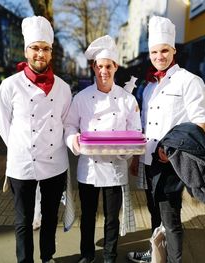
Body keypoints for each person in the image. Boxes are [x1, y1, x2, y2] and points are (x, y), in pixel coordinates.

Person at [127, 16, 205, 263]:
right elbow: (144, 124)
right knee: (154, 211)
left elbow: (201, 122)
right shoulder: (150, 85)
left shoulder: (190, 81)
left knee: (170, 218)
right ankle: (155, 255)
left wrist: (172, 147)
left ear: (174, 50)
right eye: (154, 51)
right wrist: (136, 156)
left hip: (173, 162)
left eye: (164, 50)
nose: (159, 56)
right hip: (149, 159)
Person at [0, 15, 72, 263]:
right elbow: (3, 122)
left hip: (55, 163)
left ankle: (47, 257)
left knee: (50, 217)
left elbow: (64, 121)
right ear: (26, 51)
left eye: (45, 49)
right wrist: (20, 147)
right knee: (23, 221)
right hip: (22, 164)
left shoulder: (63, 87)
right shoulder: (9, 85)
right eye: (35, 48)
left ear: (51, 53)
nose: (40, 53)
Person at [64, 35, 142, 263]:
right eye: (99, 66)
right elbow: (69, 125)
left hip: (115, 167)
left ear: (116, 67)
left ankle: (109, 256)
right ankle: (87, 255)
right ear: (93, 68)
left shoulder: (128, 100)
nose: (103, 71)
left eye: (108, 66)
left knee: (111, 218)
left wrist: (124, 151)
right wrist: (73, 140)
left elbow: (135, 132)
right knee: (87, 216)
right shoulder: (81, 98)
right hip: (88, 167)